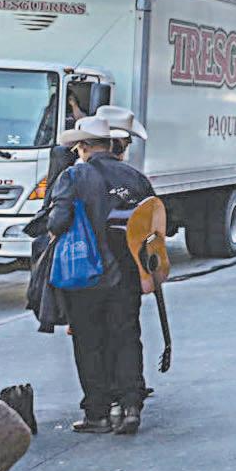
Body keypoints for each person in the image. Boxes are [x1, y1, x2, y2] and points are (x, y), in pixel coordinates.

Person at [47, 115, 156, 435]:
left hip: (86, 275)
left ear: (82, 146)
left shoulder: (74, 176)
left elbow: (57, 222)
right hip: (128, 273)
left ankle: (98, 413)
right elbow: (152, 224)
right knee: (127, 337)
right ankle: (131, 405)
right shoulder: (135, 177)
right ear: (110, 145)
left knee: (89, 342)